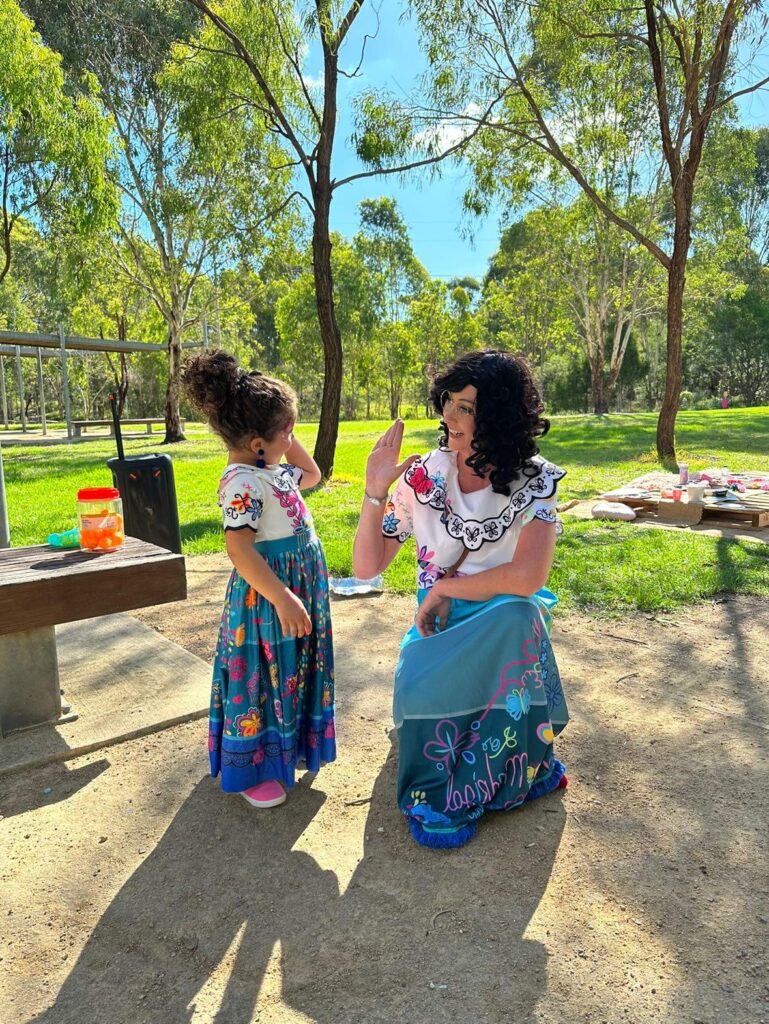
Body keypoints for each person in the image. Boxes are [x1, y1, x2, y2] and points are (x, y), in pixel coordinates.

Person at [353, 350, 569, 849]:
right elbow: (367, 567)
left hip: (497, 615)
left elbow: (527, 577)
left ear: (499, 415)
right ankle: (455, 781)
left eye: (466, 409)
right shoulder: (425, 476)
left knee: (521, 616)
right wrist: (373, 491)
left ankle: (513, 770)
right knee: (420, 698)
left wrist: (444, 588)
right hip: (438, 627)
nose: (448, 417)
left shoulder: (535, 481)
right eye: (448, 402)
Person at [183, 351, 335, 809]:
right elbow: (240, 550)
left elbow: (314, 474)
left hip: (293, 589)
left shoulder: (272, 470)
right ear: (255, 443)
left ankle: (289, 750)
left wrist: (283, 433)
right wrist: (284, 597)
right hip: (267, 601)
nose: (293, 439)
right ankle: (253, 768)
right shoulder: (243, 482)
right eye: (286, 432)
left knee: (293, 671)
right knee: (264, 680)